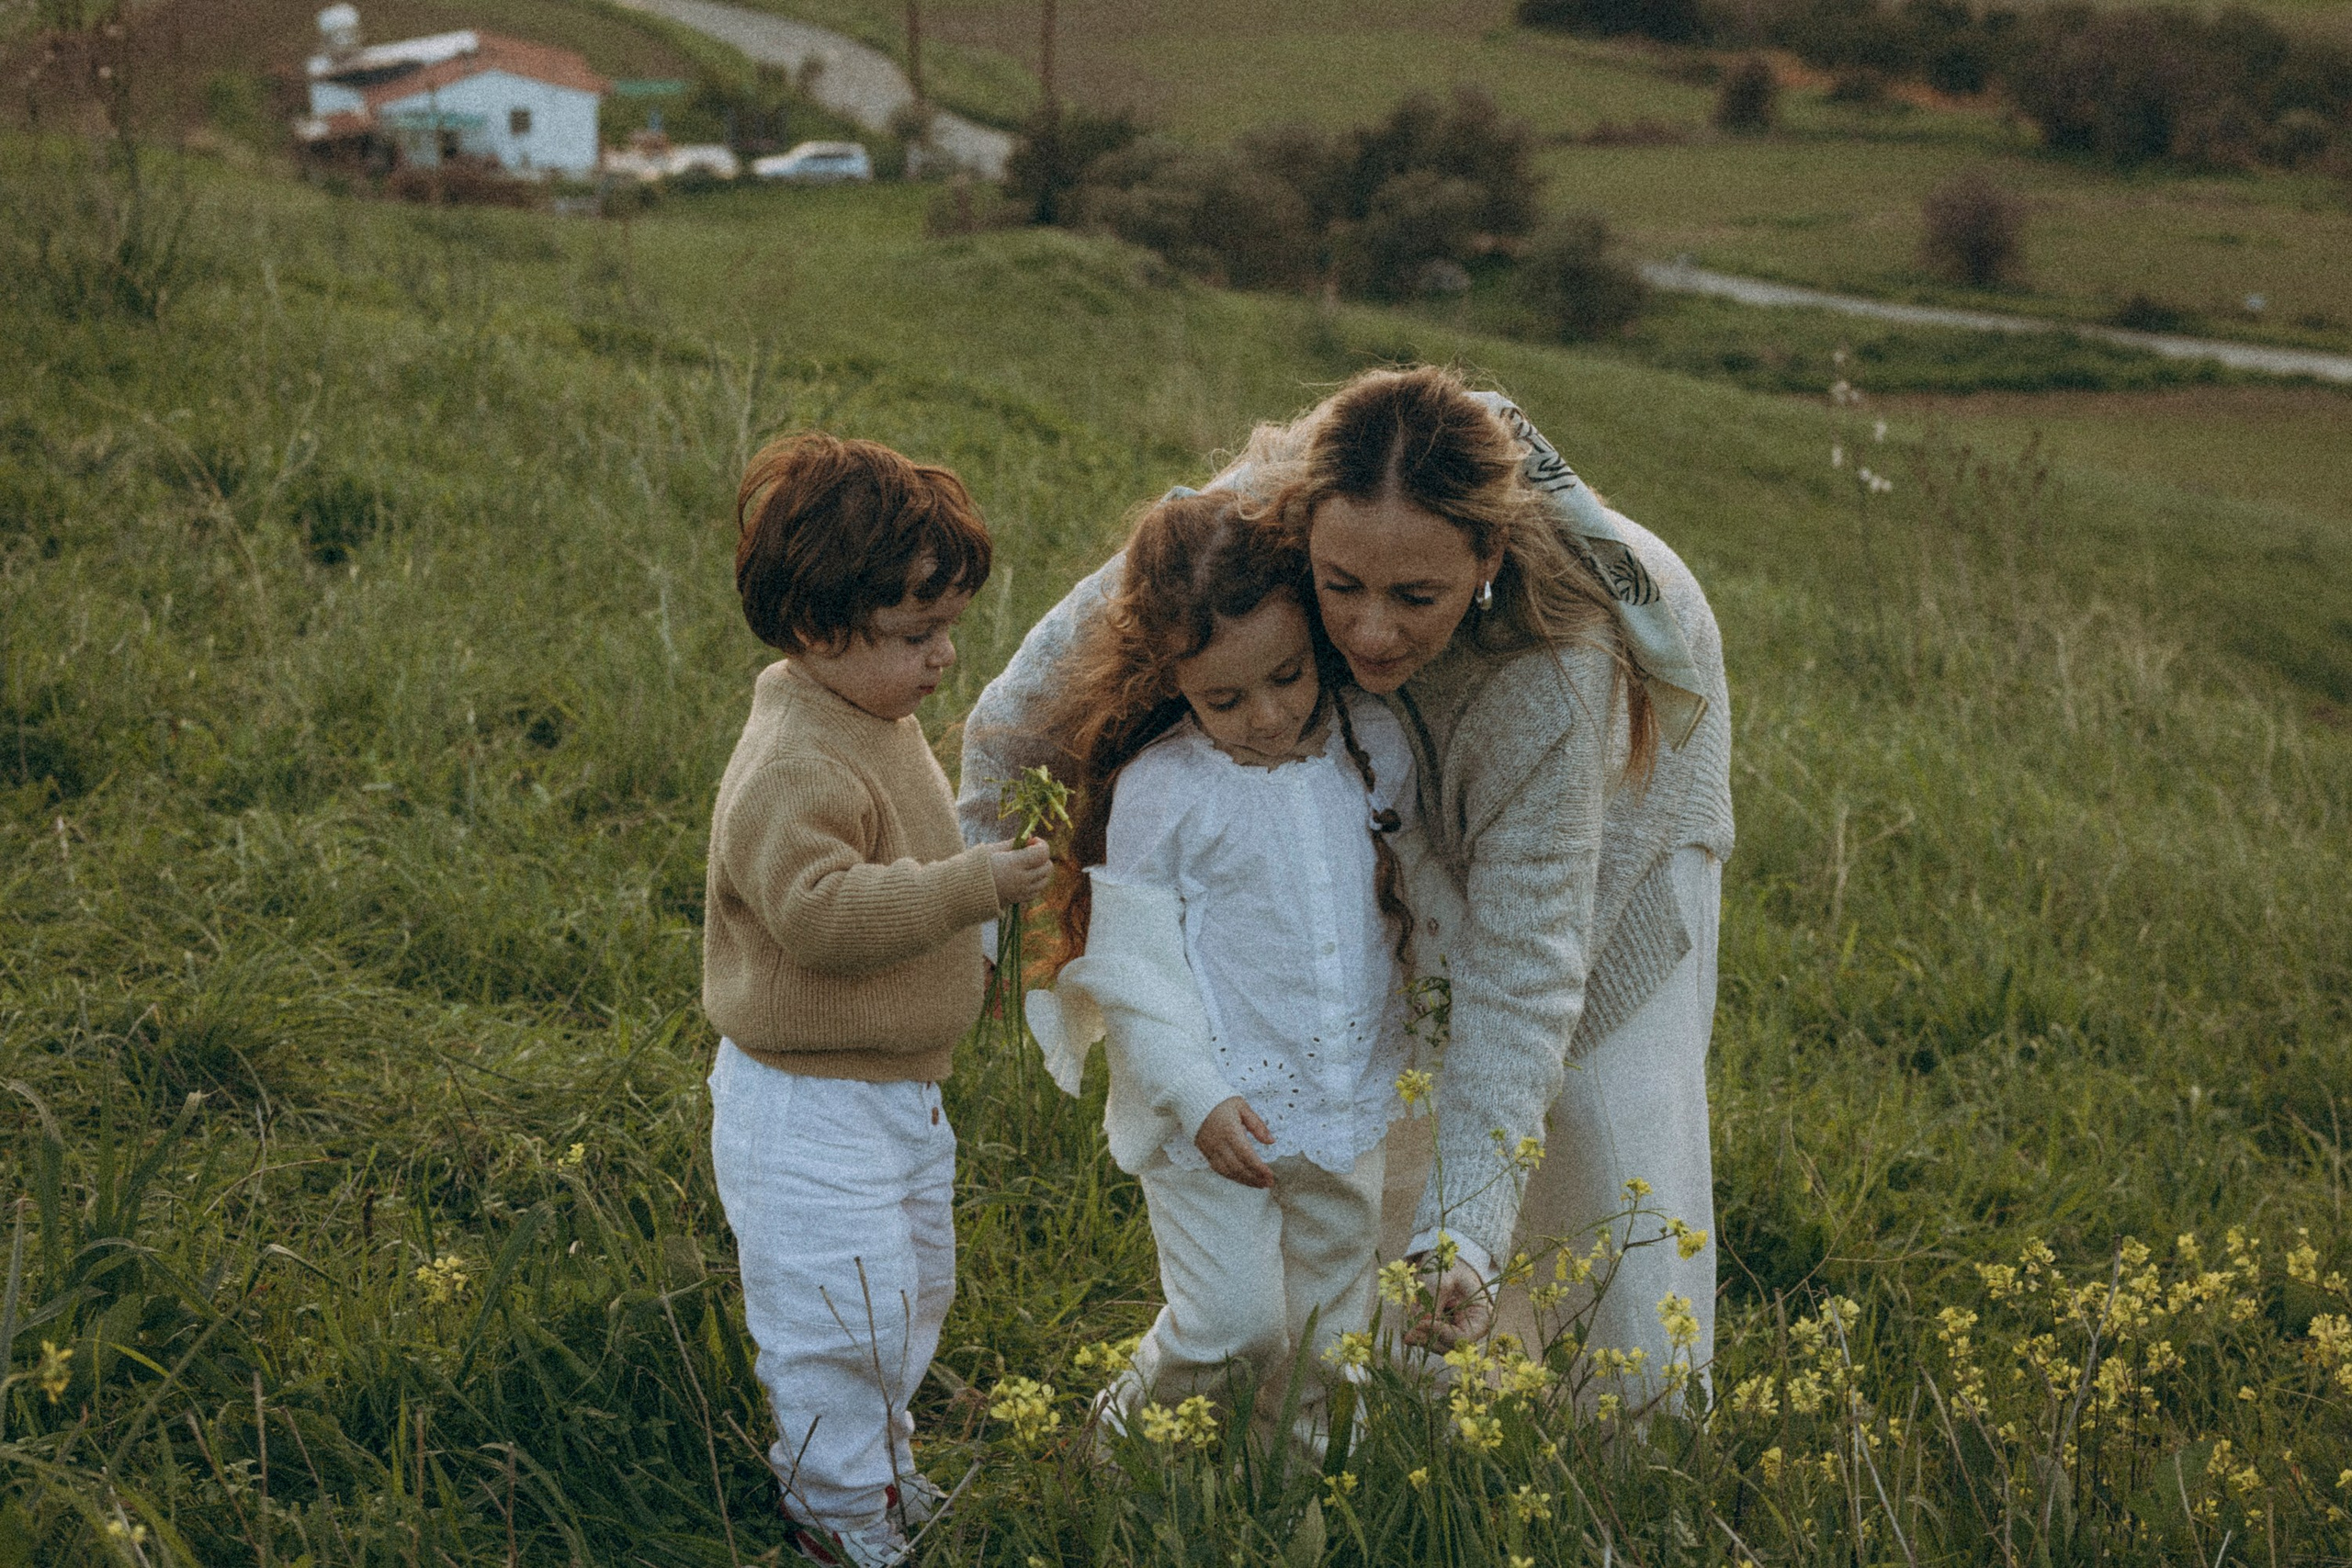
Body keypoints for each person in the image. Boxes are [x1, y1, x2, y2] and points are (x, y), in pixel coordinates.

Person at [963, 366, 1734, 1411]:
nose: (1370, 633)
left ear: (1486, 559)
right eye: (1341, 588)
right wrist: (975, 920)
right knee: (1364, 1072)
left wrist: (1466, 1225)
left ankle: (1613, 1441)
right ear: (1299, 536)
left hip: (1622, 823)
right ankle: (1359, 1398)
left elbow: (1523, 972)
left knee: (1598, 1154)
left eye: (1414, 597)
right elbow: (1023, 708)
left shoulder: (1554, 676)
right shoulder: (1256, 517)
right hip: (1371, 793)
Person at [704, 432, 1052, 1568]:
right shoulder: (798, 761)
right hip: (807, 1105)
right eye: (917, 633)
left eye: (948, 626)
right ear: (816, 627)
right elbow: (818, 914)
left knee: (903, 1301)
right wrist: (969, 890)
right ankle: (838, 1517)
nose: (944, 656)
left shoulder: (872, 715)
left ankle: (881, 1471)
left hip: (895, 1090)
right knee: (834, 1321)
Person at [1021, 490, 1417, 1451]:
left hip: (1344, 1097)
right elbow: (1134, 969)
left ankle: (1282, 1489)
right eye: (1224, 700)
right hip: (1210, 1115)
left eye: (1287, 677)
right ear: (1173, 683)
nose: (1268, 716)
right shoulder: (1165, 791)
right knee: (1233, 1323)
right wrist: (1195, 1098)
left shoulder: (1374, 752)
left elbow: (1405, 904)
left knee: (1329, 1339)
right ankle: (1120, 1446)